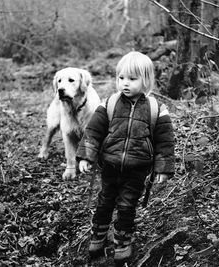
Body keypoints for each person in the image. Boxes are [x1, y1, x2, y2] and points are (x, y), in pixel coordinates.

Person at [76, 51, 175, 264]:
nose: (125, 84)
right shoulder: (109, 103)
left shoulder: (156, 109)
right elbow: (93, 131)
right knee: (105, 201)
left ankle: (122, 240)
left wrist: (162, 168)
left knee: (127, 205)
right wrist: (86, 156)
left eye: (132, 79)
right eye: (121, 78)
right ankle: (99, 235)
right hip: (110, 166)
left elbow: (165, 141)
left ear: (146, 80)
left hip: (137, 169)